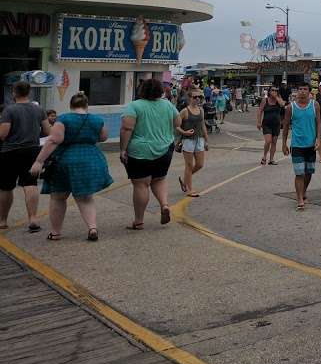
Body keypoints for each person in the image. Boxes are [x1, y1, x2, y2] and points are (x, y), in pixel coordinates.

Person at [29, 92, 112, 241]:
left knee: (58, 197)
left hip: (65, 160)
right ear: (86, 106)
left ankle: (55, 232)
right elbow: (103, 137)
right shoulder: (97, 120)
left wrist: (39, 161)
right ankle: (92, 227)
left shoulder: (64, 119)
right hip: (91, 158)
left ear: (71, 105)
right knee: (85, 197)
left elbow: (54, 140)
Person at [120, 77, 178, 230]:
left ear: (142, 90)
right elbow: (177, 123)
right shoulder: (167, 105)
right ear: (160, 91)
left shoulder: (134, 106)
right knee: (159, 179)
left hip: (140, 151)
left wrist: (123, 149)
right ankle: (164, 205)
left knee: (141, 184)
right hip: (165, 148)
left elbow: (127, 128)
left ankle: (139, 221)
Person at [0, 81, 51, 232]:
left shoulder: (9, 110)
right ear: (28, 92)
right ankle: (33, 219)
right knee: (30, 184)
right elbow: (48, 131)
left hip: (10, 151)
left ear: (14, 93)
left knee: (5, 186)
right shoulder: (39, 109)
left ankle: (2, 220)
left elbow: (3, 134)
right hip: (32, 150)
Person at [281, 82, 320, 210]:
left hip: (311, 145)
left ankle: (303, 192)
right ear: (297, 91)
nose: (302, 91)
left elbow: (318, 123)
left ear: (309, 91)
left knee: (309, 172)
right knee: (299, 173)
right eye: (300, 89)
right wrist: (284, 144)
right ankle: (299, 199)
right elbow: (286, 126)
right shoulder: (290, 107)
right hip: (297, 145)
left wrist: (319, 139)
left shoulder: (315, 105)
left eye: (305, 89)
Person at [175, 88, 208, 197]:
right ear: (189, 98)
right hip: (188, 140)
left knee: (199, 164)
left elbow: (203, 125)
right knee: (189, 166)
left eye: (200, 97)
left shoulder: (201, 110)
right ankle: (189, 189)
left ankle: (185, 181)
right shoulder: (185, 111)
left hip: (199, 139)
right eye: (195, 97)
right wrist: (184, 132)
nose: (198, 99)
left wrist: (206, 140)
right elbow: (176, 125)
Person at [257, 87, 285, 165]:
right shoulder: (265, 100)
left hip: (276, 124)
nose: (274, 91)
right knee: (268, 141)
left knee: (274, 142)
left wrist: (276, 97)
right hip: (266, 124)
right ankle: (264, 157)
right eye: (272, 90)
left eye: (276, 90)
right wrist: (258, 122)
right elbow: (260, 111)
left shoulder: (278, 100)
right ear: (269, 92)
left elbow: (282, 104)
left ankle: (271, 159)